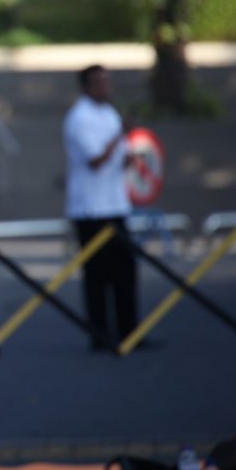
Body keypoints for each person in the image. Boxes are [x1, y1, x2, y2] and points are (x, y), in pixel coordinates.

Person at [63, 64, 138, 351]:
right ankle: (100, 334)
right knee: (97, 276)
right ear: (85, 86)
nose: (105, 87)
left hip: (116, 204)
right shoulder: (79, 118)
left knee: (125, 273)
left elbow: (117, 156)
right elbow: (95, 160)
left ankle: (129, 331)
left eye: (108, 81)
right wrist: (121, 134)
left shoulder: (109, 113)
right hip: (91, 209)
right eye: (98, 82)